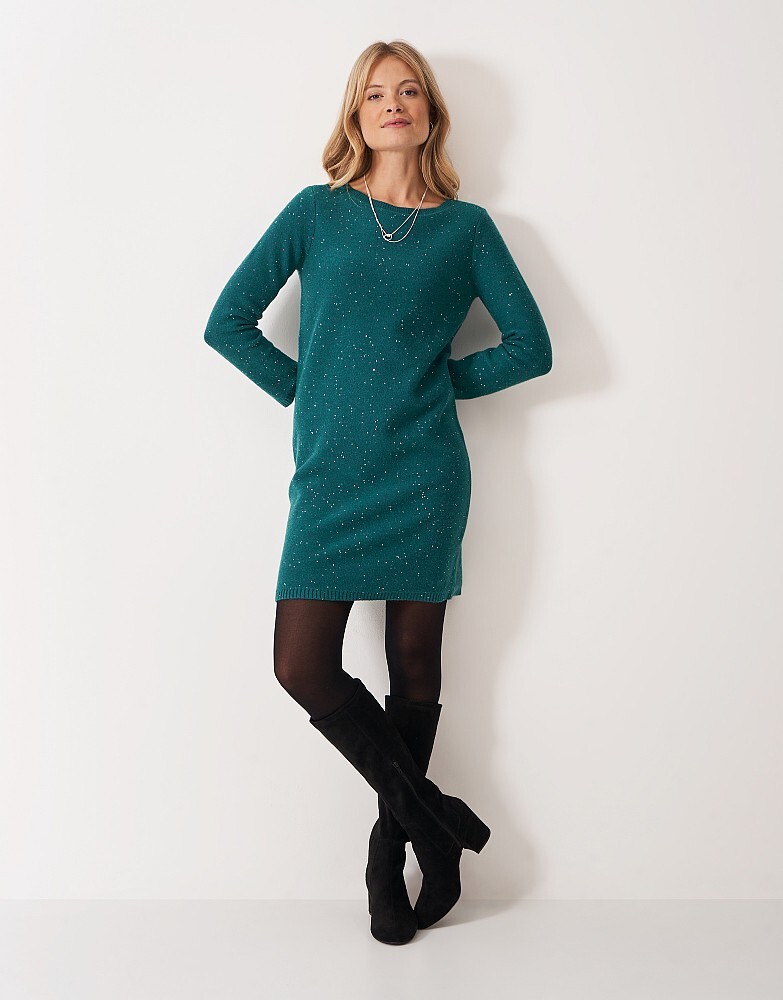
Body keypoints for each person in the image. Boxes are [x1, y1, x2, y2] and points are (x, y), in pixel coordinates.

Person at [203, 39, 553, 945]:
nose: (391, 104)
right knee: (300, 666)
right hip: (330, 477)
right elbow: (227, 323)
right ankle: (438, 823)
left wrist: (432, 386)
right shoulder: (315, 213)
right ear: (355, 116)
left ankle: (388, 857)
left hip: (424, 474)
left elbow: (530, 347)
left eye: (407, 92)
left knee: (415, 669)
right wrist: (307, 390)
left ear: (430, 113)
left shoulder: (465, 230)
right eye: (373, 94)